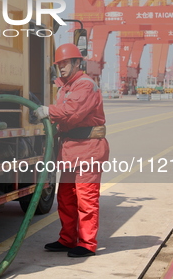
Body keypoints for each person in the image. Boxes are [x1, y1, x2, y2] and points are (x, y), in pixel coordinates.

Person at [34, 43, 110, 258]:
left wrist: (48, 111)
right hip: (70, 149)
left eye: (66, 63)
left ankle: (87, 243)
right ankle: (68, 239)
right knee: (66, 196)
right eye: (59, 64)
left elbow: (73, 113)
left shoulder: (85, 85)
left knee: (86, 198)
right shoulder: (66, 86)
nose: (62, 67)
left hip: (88, 149)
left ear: (78, 62)